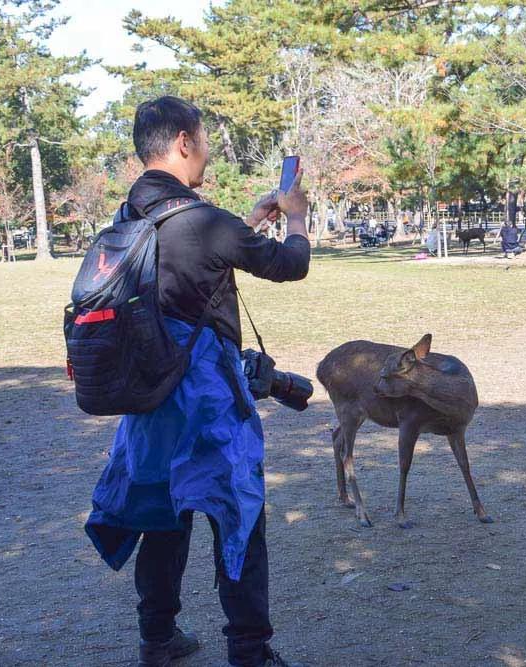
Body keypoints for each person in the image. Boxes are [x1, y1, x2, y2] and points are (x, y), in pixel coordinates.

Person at [83, 96, 310, 667]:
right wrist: (297, 217)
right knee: (239, 514)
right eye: (204, 139)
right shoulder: (204, 222)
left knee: (164, 514)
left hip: (150, 398)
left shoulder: (128, 217)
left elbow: (189, 261)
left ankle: (157, 638)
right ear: (185, 142)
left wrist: (249, 223)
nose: (206, 150)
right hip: (207, 402)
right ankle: (251, 652)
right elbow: (291, 264)